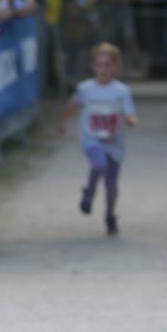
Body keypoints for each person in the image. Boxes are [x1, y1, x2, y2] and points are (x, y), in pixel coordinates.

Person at [58, 42, 138, 236]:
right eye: (99, 65)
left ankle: (110, 215)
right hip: (92, 139)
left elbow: (130, 113)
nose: (103, 70)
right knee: (98, 164)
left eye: (107, 65)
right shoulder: (85, 89)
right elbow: (72, 105)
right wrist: (62, 122)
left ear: (115, 67)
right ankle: (90, 191)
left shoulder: (121, 91)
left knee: (111, 184)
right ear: (93, 66)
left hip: (114, 142)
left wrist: (131, 120)